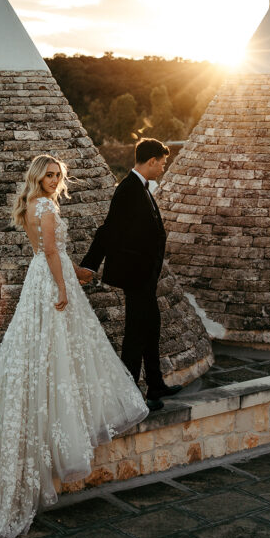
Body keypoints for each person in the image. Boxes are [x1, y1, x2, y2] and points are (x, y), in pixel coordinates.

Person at [0, 155, 149, 538]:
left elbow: (46, 252)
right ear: (38, 177)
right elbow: (53, 252)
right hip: (49, 281)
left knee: (40, 350)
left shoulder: (30, 206)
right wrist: (63, 287)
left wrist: (74, 274)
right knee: (60, 349)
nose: (55, 180)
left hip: (37, 279)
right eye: (49, 174)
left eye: (59, 175)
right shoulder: (47, 207)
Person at [79, 138, 183, 411]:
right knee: (136, 334)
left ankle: (156, 384)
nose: (162, 167)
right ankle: (129, 394)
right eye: (162, 163)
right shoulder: (127, 190)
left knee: (151, 327)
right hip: (136, 275)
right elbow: (109, 230)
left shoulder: (141, 188)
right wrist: (90, 265)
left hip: (145, 276)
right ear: (151, 161)